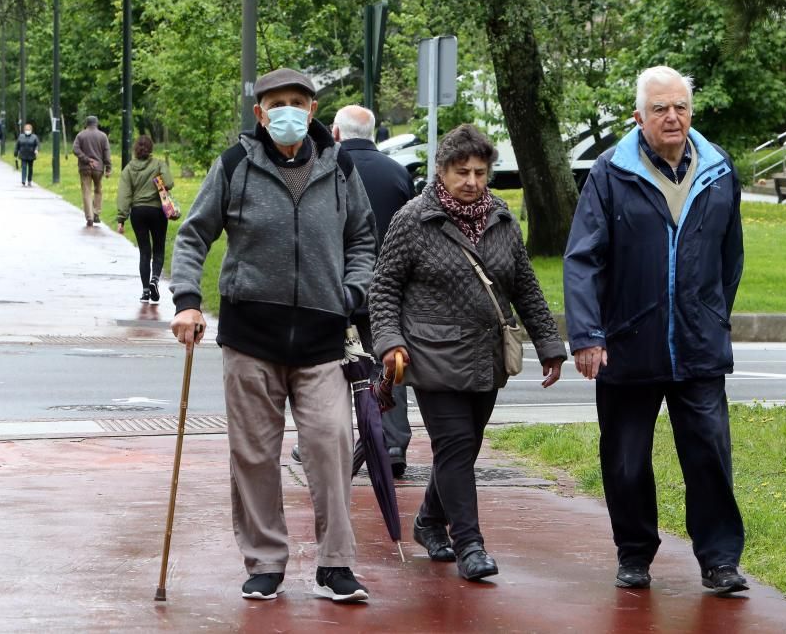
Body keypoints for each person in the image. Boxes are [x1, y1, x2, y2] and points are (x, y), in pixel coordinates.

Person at [169, 68, 377, 603]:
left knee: (330, 444)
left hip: (322, 336)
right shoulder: (236, 164)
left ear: (313, 111)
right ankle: (265, 561)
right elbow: (194, 234)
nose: (287, 111)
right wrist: (188, 302)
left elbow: (362, 239)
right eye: (276, 103)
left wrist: (352, 293)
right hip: (250, 337)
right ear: (260, 113)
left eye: (298, 102)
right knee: (255, 454)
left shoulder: (340, 165)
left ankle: (335, 565)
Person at [563, 65, 747, 594]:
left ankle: (719, 561)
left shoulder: (718, 169)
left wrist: (712, 315)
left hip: (698, 344)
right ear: (638, 116)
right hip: (628, 343)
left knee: (709, 455)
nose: (673, 117)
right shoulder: (609, 172)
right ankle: (635, 554)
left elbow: (729, 259)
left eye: (681, 107)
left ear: (692, 111)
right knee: (625, 460)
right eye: (661, 109)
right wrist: (588, 334)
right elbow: (582, 259)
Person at [369, 124, 566, 581]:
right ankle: (470, 544)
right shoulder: (414, 219)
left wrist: (550, 345)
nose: (473, 181)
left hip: (486, 357)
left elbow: (525, 287)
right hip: (431, 355)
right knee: (455, 446)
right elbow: (383, 288)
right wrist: (389, 342)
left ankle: (429, 522)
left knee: (463, 448)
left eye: (480, 171)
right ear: (441, 171)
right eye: (462, 172)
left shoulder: (500, 217)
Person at [291, 104, 415, 477]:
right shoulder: (398, 173)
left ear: (338, 133)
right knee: (390, 366)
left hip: (337, 288)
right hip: (388, 290)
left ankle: (331, 444)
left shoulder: (326, 171)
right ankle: (392, 443)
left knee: (331, 369)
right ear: (373, 132)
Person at [117, 135, 173, 304]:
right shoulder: (158, 164)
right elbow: (169, 183)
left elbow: (124, 194)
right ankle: (155, 280)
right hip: (157, 211)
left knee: (144, 251)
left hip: (138, 212)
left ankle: (145, 292)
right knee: (158, 248)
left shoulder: (128, 169)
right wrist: (159, 180)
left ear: (135, 149)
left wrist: (121, 218)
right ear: (151, 149)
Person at [72, 115, 112, 226]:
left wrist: (86, 159)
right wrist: (108, 168)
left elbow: (75, 149)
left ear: (86, 123)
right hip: (98, 168)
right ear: (97, 123)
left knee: (86, 191)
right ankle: (96, 213)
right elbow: (107, 153)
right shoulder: (103, 136)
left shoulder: (80, 135)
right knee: (98, 190)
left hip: (84, 168)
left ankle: (89, 217)